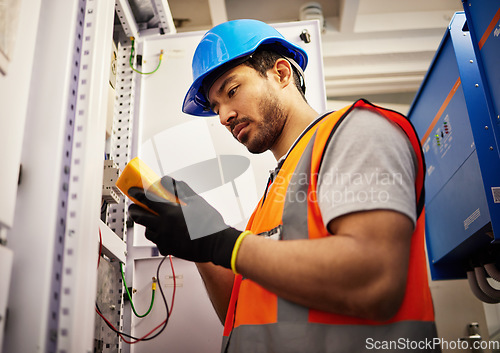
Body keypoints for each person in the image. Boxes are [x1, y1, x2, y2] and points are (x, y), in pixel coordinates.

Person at [128, 19, 439, 352]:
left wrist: (220, 241)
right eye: (216, 107)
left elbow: (375, 280)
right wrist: (198, 241)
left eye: (232, 91)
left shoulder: (358, 132)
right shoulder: (274, 193)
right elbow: (239, 310)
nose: (223, 117)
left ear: (281, 74)